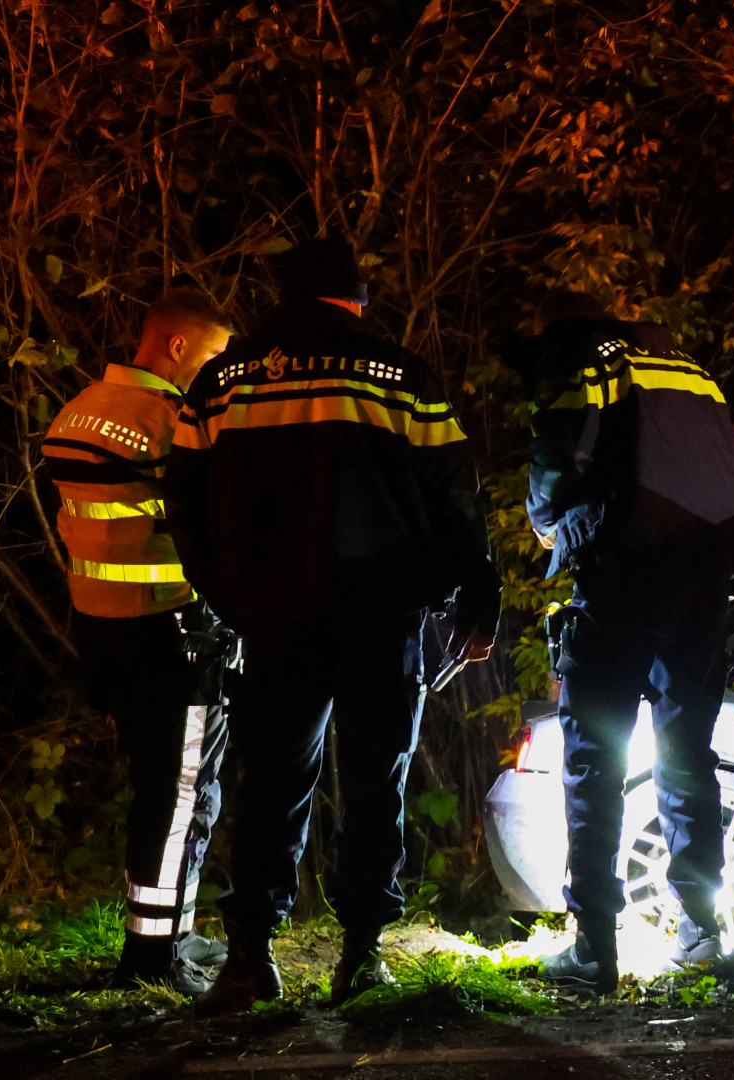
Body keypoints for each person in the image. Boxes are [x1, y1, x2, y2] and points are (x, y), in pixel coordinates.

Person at [165, 238, 500, 1014]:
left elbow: (182, 499)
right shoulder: (398, 374)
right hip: (383, 607)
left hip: (275, 610)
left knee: (271, 777)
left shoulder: (222, 381)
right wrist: (476, 594)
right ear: (357, 301)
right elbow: (455, 491)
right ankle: (361, 954)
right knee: (377, 775)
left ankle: (249, 957)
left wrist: (231, 593)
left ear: (283, 299)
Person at [504, 292, 734, 994]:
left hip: (623, 565)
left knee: (594, 754)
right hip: (705, 572)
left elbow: (557, 449)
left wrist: (547, 521)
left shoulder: (577, 355)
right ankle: (704, 932)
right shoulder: (681, 364)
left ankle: (594, 946)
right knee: (687, 754)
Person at [40, 288, 236, 996]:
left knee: (159, 788)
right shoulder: (168, 421)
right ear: (178, 346)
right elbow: (213, 520)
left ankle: (170, 928)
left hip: (102, 626)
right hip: (172, 631)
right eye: (213, 355)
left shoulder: (80, 409)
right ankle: (154, 957)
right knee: (181, 792)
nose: (218, 371)